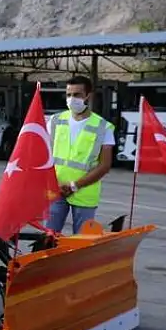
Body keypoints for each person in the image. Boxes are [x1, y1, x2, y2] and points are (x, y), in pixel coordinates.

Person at [44, 76, 115, 234]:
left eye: (77, 95)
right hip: (56, 189)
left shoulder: (103, 127)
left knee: (81, 241)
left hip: (85, 193)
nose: (71, 99)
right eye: (68, 95)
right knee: (49, 238)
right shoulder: (55, 121)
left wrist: (74, 185)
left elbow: (104, 165)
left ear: (88, 96)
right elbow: (43, 155)